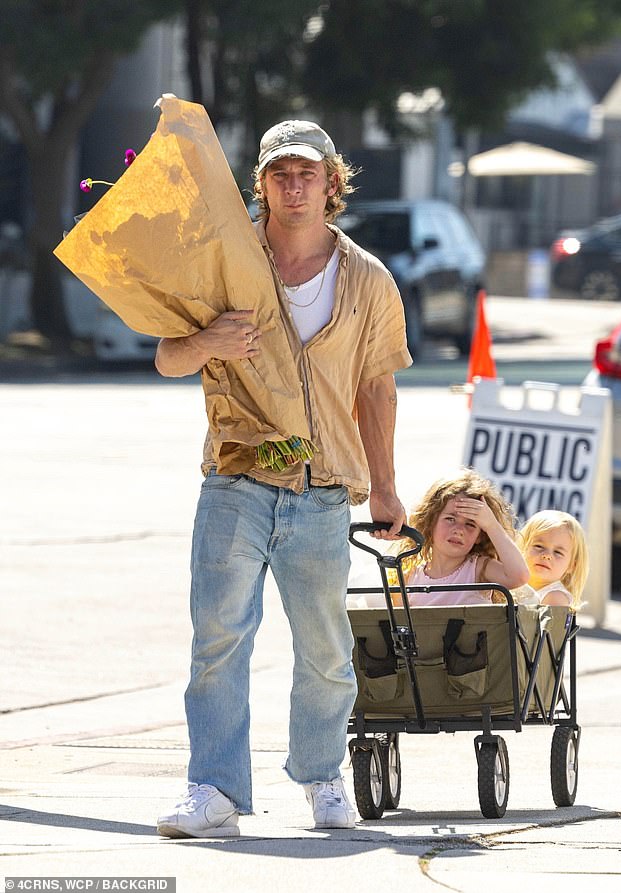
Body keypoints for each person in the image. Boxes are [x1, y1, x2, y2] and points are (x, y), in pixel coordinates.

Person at [153, 120, 411, 837]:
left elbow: (378, 388)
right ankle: (214, 788)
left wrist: (385, 487)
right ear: (260, 183)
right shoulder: (223, 265)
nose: (293, 186)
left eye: (307, 173)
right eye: (278, 174)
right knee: (217, 641)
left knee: (326, 649)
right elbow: (168, 358)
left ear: (333, 182)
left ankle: (323, 778)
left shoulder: (367, 280)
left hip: (322, 489)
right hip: (235, 479)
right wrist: (209, 340)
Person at [392, 468, 528, 606]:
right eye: (450, 519)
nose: (459, 530)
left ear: (480, 536)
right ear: (430, 522)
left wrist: (491, 524)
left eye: (470, 524)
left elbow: (519, 576)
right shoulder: (409, 577)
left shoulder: (478, 569)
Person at [513, 510, 589, 609]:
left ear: (572, 566)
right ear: (523, 547)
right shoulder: (515, 584)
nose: (547, 555)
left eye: (558, 552)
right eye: (539, 546)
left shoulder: (555, 597)